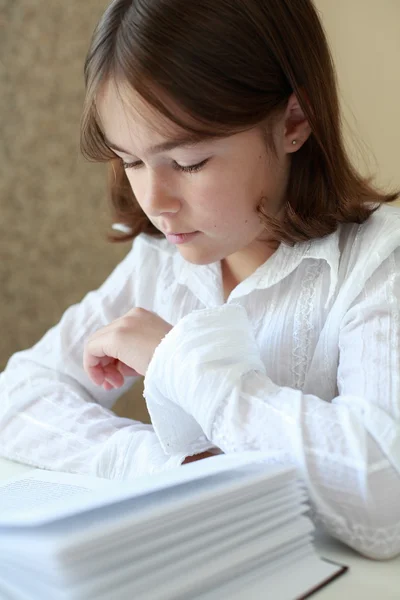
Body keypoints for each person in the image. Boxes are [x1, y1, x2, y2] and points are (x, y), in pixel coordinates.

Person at [1, 0, 400, 561]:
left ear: (293, 122)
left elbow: (383, 497)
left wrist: (179, 362)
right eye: (131, 162)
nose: (156, 202)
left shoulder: (380, 263)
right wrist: (169, 470)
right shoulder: (160, 260)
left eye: (188, 162)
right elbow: (18, 396)